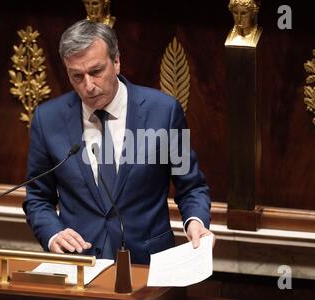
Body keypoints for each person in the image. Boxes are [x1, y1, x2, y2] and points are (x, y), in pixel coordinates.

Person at [23, 20, 214, 264]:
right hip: (80, 264)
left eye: (96, 72)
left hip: (148, 264)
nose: (88, 86)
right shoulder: (47, 119)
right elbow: (38, 198)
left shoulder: (163, 112)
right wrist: (52, 234)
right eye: (77, 76)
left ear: (116, 62)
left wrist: (196, 222)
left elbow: (191, 186)